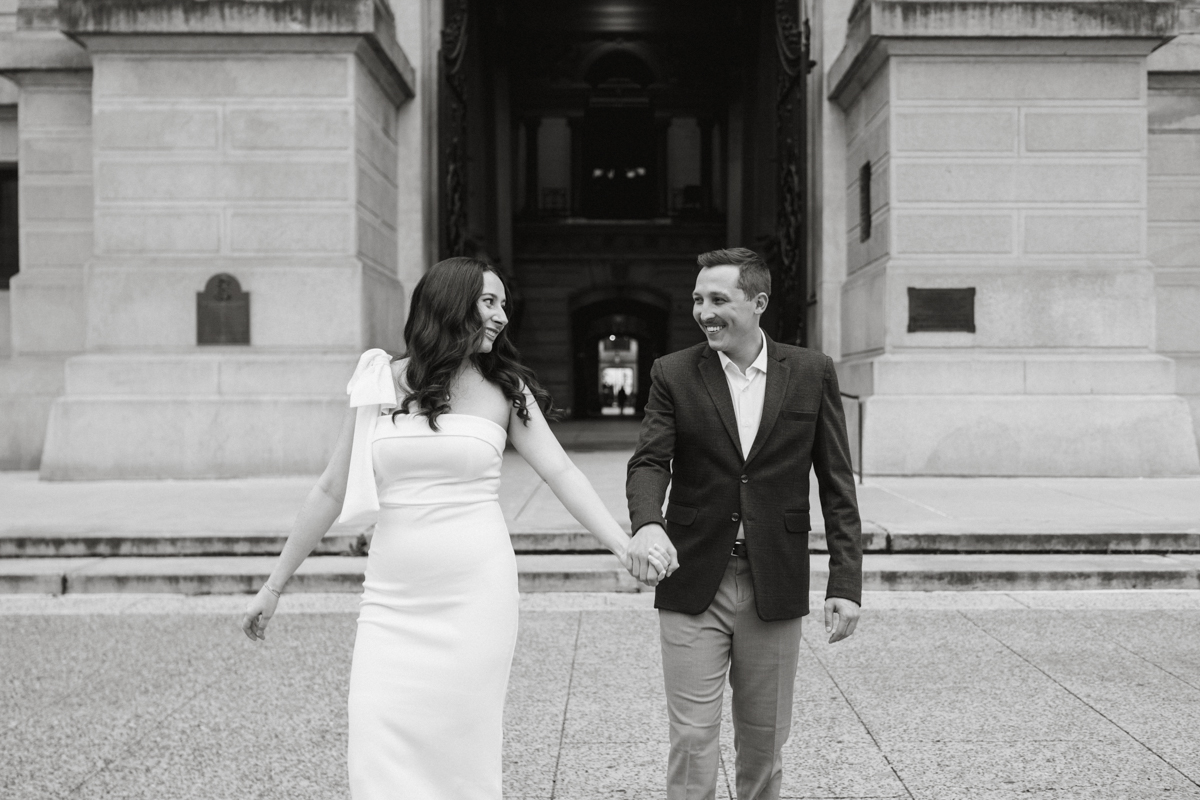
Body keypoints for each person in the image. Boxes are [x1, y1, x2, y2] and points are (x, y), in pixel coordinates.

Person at [240, 257, 674, 800]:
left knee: (461, 751)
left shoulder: (506, 389)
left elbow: (560, 470)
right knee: (377, 740)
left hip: (476, 597)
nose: (501, 317)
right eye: (489, 303)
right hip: (391, 602)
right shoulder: (379, 379)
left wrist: (621, 542)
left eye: (504, 306)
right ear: (450, 303)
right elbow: (330, 488)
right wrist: (274, 585)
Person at [625, 247, 863, 800]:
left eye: (717, 299)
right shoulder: (674, 373)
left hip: (772, 581)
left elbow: (837, 484)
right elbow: (649, 461)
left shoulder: (809, 371)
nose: (703, 312)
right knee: (691, 738)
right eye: (697, 300)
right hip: (692, 577)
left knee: (764, 741)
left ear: (757, 302)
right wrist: (646, 523)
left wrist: (845, 583)